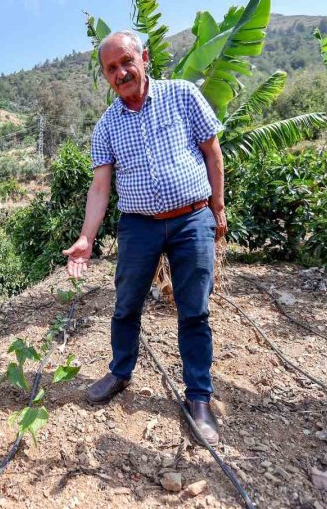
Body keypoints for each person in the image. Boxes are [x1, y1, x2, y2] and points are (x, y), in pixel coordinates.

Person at [62, 30, 227, 446]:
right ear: (105, 76)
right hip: (138, 225)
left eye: (126, 62)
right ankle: (120, 372)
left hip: (192, 218)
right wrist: (86, 237)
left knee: (194, 311)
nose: (121, 73)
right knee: (126, 305)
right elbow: (100, 187)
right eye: (111, 69)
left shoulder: (183, 95)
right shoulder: (106, 125)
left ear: (145, 58)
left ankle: (198, 397)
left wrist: (218, 208)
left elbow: (212, 151)